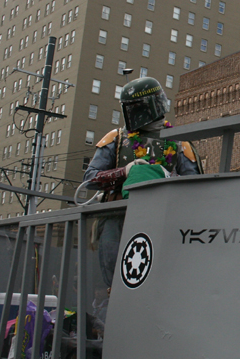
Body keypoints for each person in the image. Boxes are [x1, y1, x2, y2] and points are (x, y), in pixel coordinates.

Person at [83, 77, 201, 288]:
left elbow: (196, 189)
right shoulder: (116, 138)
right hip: (116, 217)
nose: (132, 113)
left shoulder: (180, 142)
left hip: (164, 219)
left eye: (136, 107)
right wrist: (123, 172)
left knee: (156, 279)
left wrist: (168, 178)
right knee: (113, 279)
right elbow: (90, 179)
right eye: (128, 108)